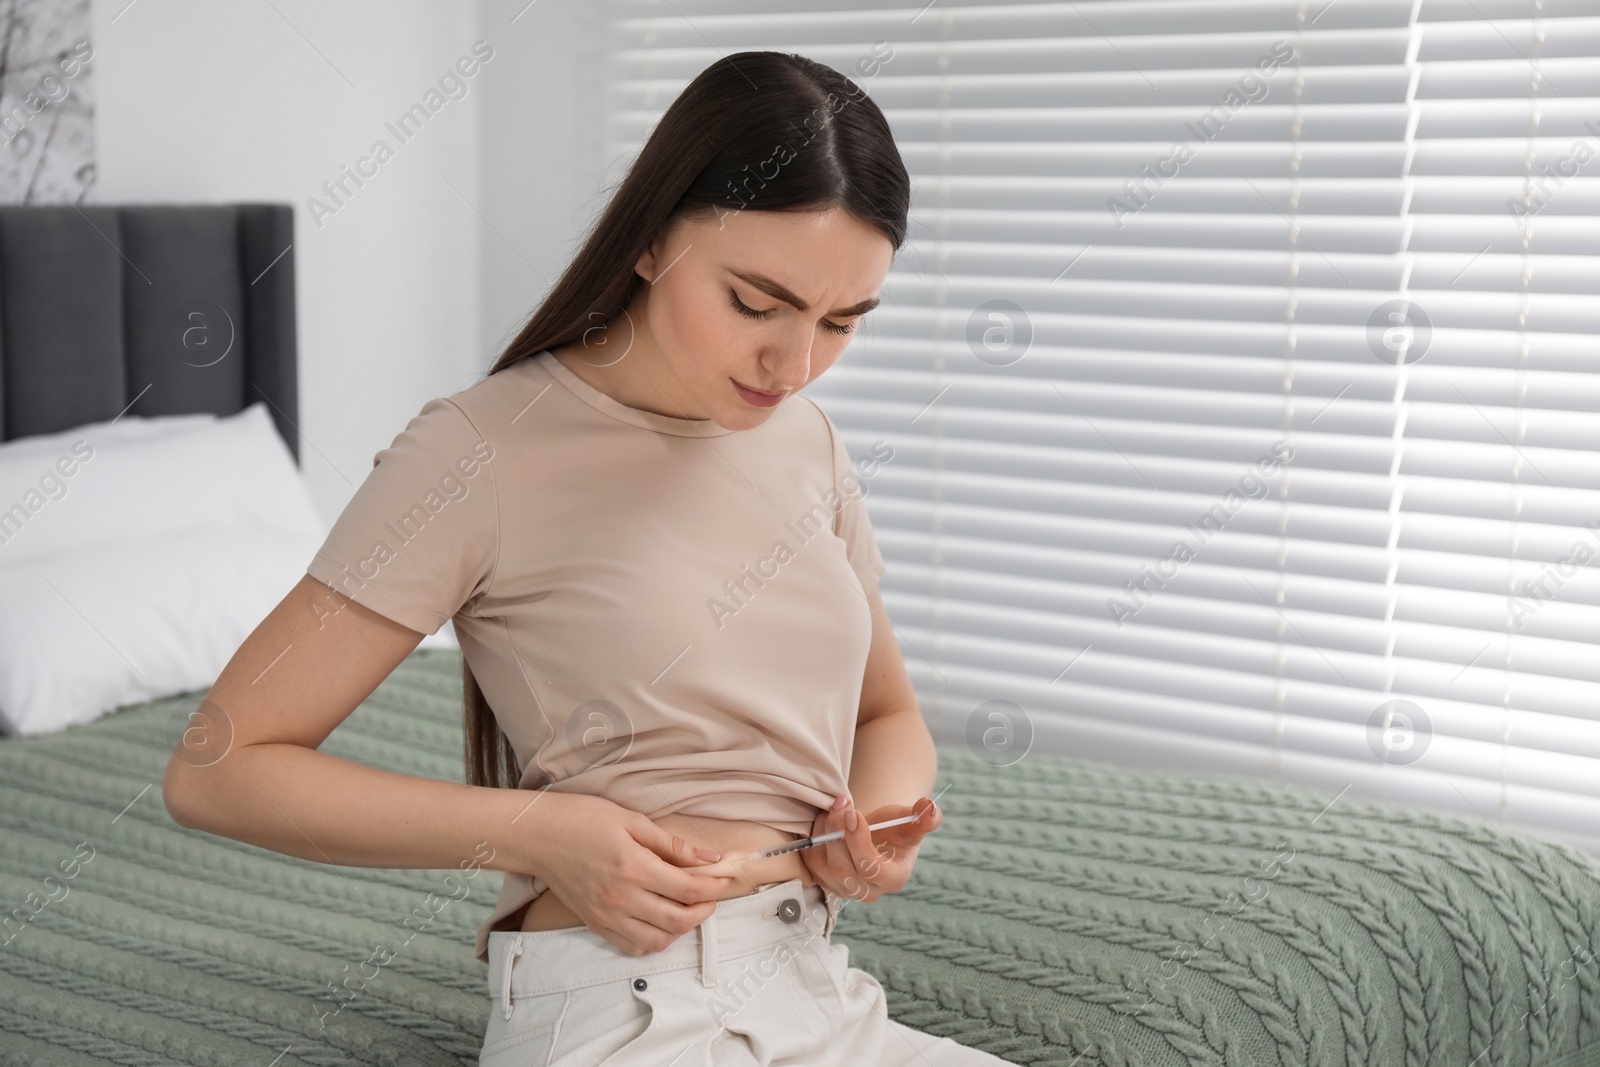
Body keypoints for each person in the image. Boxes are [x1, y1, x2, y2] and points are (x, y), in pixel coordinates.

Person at [163, 50, 1015, 1066]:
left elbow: (889, 714)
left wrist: (868, 824)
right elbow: (216, 769)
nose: (794, 365)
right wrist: (539, 830)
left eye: (841, 321)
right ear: (651, 240)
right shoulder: (479, 450)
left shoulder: (808, 442)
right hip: (627, 1003)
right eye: (755, 303)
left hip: (817, 985)